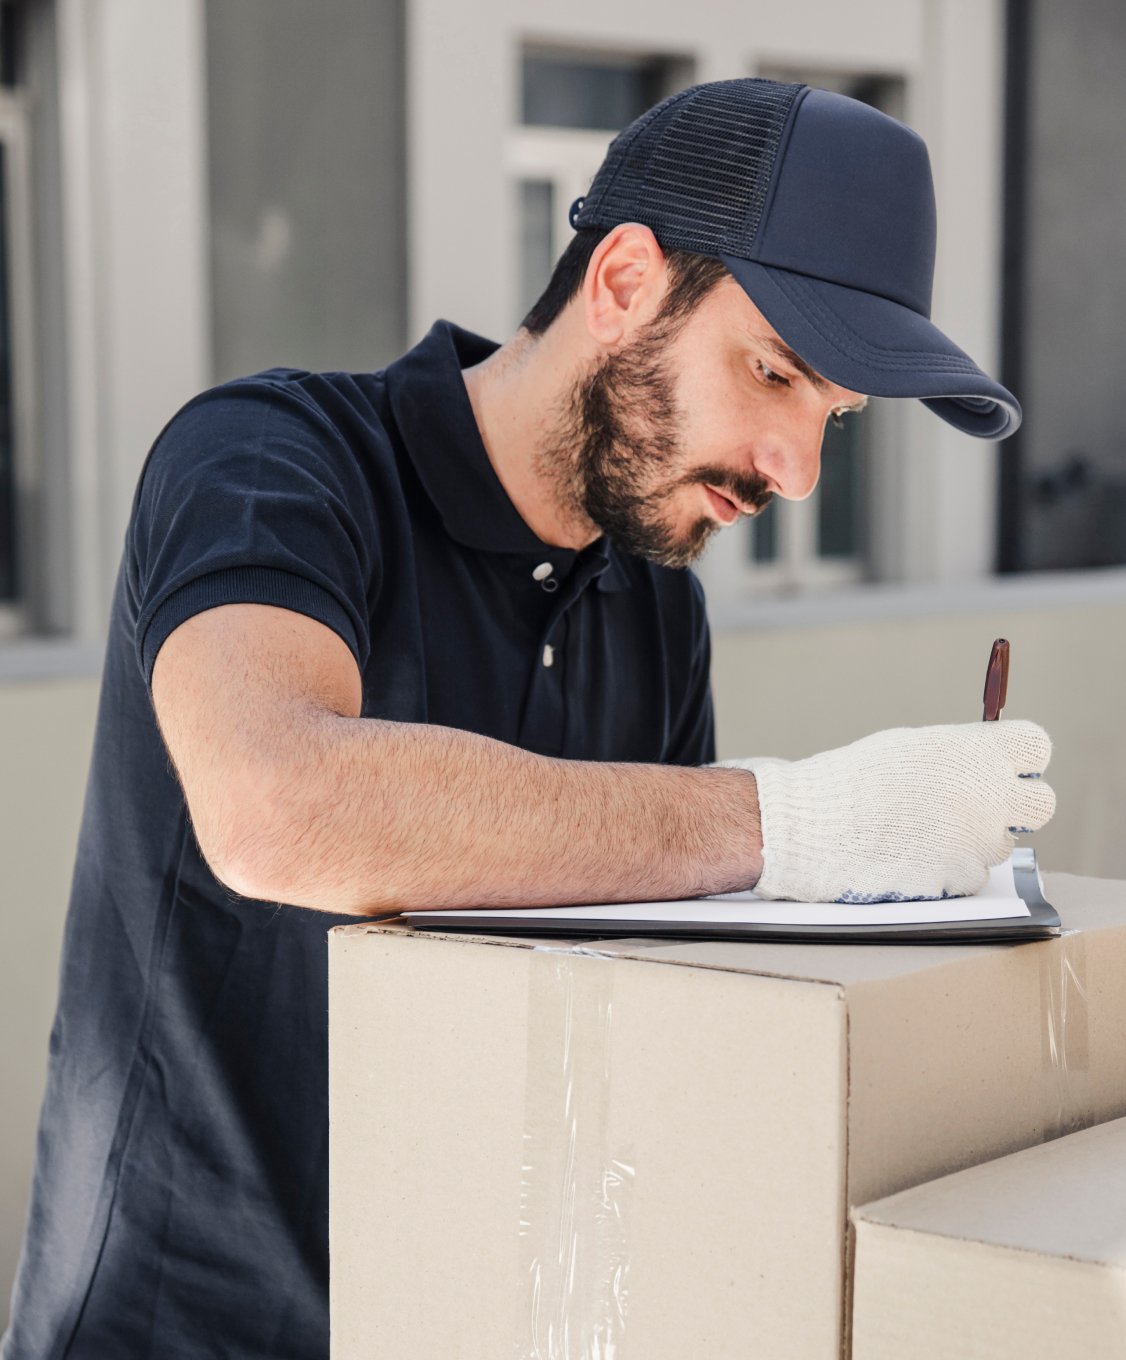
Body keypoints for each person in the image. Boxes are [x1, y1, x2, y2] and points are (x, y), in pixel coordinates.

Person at [3, 78, 1054, 1358]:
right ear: (621, 280)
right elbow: (273, 805)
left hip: (460, 1315)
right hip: (178, 1323)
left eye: (830, 416)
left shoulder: (656, 608)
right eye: (773, 372)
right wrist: (801, 818)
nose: (795, 469)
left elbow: (645, 1006)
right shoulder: (273, 462)